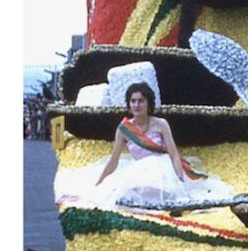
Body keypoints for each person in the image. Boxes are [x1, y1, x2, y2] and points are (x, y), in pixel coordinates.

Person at [94, 82, 233, 207]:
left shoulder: (161, 124)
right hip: (139, 173)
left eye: (141, 101)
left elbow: (173, 154)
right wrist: (100, 183)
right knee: (123, 196)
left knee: (166, 198)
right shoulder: (123, 129)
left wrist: (180, 180)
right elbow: (113, 161)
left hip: (163, 171)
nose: (137, 105)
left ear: (148, 103)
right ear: (129, 105)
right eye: (133, 101)